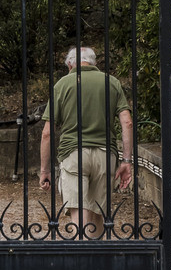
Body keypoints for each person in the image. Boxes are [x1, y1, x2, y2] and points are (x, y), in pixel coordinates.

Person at [38, 45, 134, 234]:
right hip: (105, 155)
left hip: (73, 154)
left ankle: (79, 253)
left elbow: (47, 133)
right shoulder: (111, 82)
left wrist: (45, 170)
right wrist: (126, 162)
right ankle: (97, 258)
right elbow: (127, 122)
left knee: (78, 213)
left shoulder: (62, 85)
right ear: (93, 63)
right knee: (98, 211)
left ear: (69, 65)